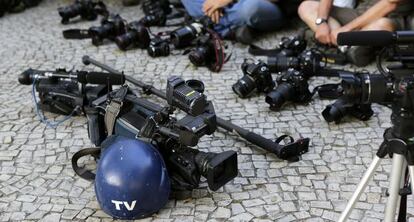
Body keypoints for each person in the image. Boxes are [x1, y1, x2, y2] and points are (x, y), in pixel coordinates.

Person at [298, 0, 410, 66]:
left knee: (383, 25)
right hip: (360, 13)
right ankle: (344, 47)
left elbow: (390, 3)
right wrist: (321, 21)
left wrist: (347, 29)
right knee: (306, 6)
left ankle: (336, 45)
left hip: (393, 17)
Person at [180, 0, 297, 44]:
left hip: (268, 6)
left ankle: (213, 24)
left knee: (250, 8)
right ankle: (233, 27)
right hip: (235, 5)